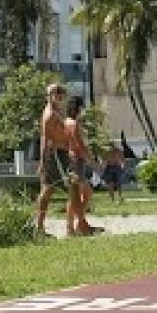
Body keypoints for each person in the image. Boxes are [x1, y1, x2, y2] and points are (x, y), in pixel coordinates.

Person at [34, 82, 82, 237]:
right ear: (49, 96)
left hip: (62, 153)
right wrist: (42, 162)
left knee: (52, 189)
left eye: (61, 93)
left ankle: (70, 227)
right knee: (66, 188)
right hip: (55, 155)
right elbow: (44, 139)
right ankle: (73, 227)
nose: (60, 95)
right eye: (56, 93)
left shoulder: (57, 112)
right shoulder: (49, 115)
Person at [65, 95, 102, 235]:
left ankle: (74, 225)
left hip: (71, 160)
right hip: (76, 161)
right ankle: (79, 225)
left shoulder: (66, 122)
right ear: (78, 108)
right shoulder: (74, 124)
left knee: (76, 195)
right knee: (84, 193)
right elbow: (80, 145)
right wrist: (93, 162)